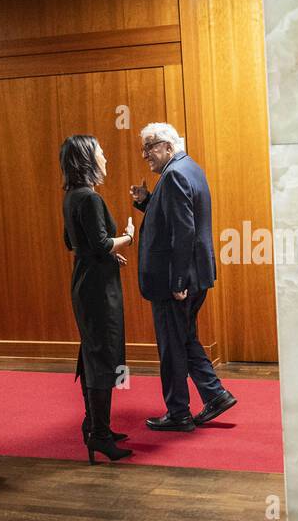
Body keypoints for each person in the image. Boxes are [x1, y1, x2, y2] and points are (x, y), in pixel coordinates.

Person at [130, 122, 237, 431]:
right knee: (184, 338)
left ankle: (178, 413)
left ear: (168, 146)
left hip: (177, 281)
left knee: (171, 346)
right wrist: (146, 201)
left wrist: (177, 282)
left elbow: (184, 231)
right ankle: (215, 395)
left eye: (149, 147)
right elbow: (175, 219)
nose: (145, 154)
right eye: (144, 148)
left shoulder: (174, 174)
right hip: (195, 275)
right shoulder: (188, 168)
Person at [60, 134, 134, 463]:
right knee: (103, 353)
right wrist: (129, 238)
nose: (105, 157)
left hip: (85, 283)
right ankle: (100, 435)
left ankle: (94, 426)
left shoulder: (72, 196)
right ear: (88, 159)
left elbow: (73, 243)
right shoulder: (90, 198)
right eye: (101, 152)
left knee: (93, 351)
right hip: (99, 291)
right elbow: (102, 243)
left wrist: (106, 255)